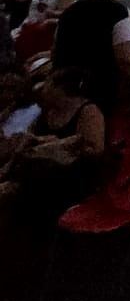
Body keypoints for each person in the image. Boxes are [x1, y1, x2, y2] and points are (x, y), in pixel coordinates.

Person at [0, 65, 107, 225]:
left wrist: (57, 145)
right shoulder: (48, 111)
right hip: (35, 170)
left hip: (69, 175)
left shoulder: (88, 111)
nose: (42, 88)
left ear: (59, 88)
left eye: (47, 83)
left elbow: (95, 151)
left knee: (14, 191)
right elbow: (28, 140)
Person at [51, 0, 130, 115]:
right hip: (97, 89)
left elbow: (55, 46)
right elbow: (125, 58)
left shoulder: (72, 9)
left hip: (63, 84)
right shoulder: (120, 12)